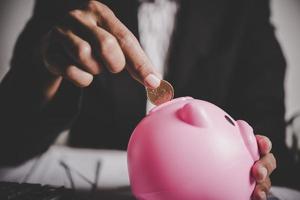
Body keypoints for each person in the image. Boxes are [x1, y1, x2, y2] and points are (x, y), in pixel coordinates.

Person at [0, 0, 297, 199]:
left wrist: (256, 163)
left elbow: (266, 124)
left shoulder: (243, 9)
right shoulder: (73, 8)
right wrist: (43, 71)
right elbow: (8, 144)